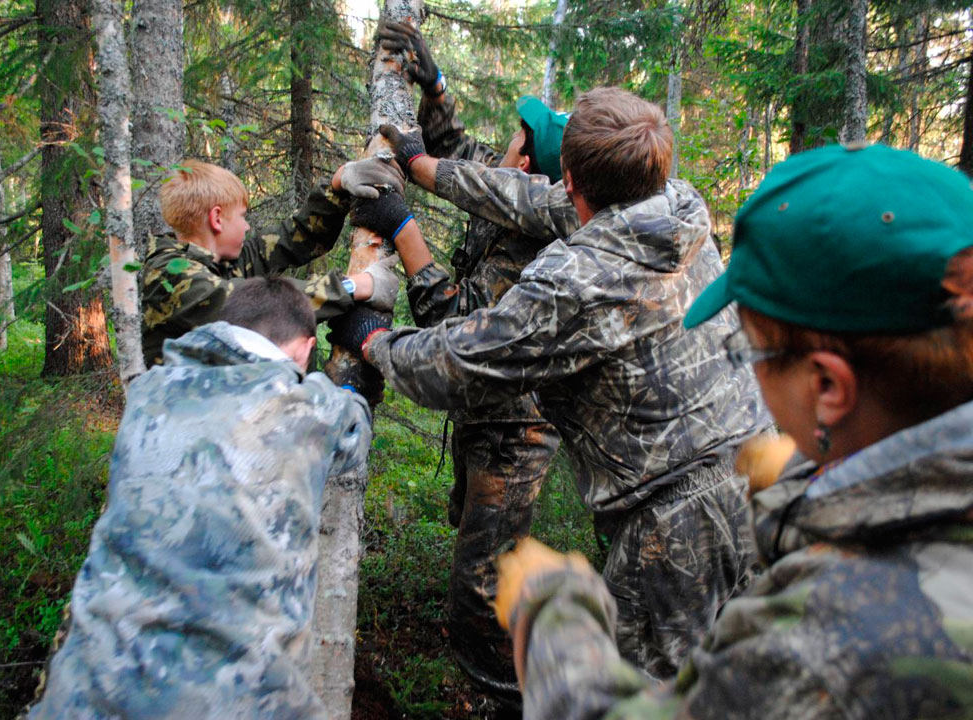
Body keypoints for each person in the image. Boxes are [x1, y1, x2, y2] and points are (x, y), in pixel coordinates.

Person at [493, 143, 973, 719]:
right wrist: (811, 486)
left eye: (750, 349)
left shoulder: (828, 641)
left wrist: (553, 613)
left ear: (828, 388)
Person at [334, 86, 769, 678]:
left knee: (648, 700)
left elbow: (460, 362)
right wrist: (421, 164)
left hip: (675, 523)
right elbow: (526, 197)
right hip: (764, 476)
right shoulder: (673, 204)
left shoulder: (577, 281)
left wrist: (372, 341)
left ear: (569, 175)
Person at [346, 21, 575, 710]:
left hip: (515, 430)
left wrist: (403, 230)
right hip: (489, 421)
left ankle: (503, 694)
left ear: (527, 166)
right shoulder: (505, 180)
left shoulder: (529, 246)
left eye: (517, 137)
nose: (503, 142)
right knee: (483, 559)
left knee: (484, 583)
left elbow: (459, 325)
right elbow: (449, 149)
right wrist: (434, 86)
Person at [28, 277, 373, 719]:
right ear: (306, 348)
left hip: (82, 695)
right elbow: (355, 430)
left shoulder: (147, 393)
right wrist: (343, 382)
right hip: (231, 703)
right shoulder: (310, 410)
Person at [140, 157, 404, 365]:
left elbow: (292, 239)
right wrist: (353, 287)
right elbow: (253, 307)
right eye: (242, 217)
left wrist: (337, 186)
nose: (246, 227)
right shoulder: (169, 275)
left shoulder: (220, 262)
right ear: (216, 219)